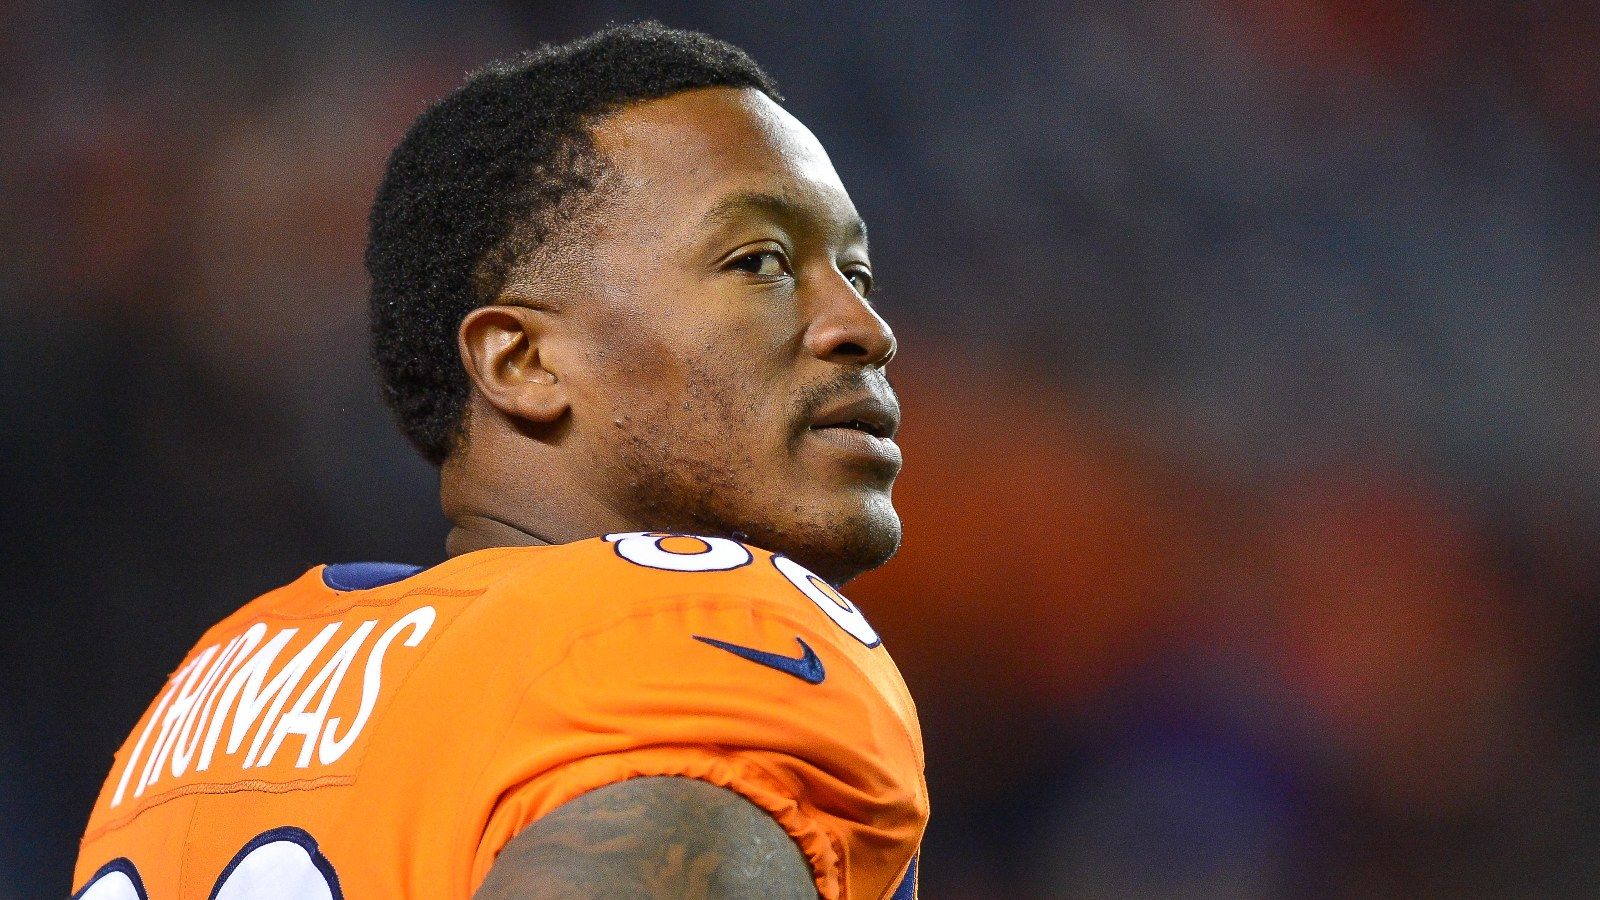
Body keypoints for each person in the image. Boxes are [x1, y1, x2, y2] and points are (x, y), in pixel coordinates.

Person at [72, 21, 927, 900]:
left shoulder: (219, 696)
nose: (864, 329)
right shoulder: (690, 648)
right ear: (522, 362)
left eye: (855, 275)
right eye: (761, 262)